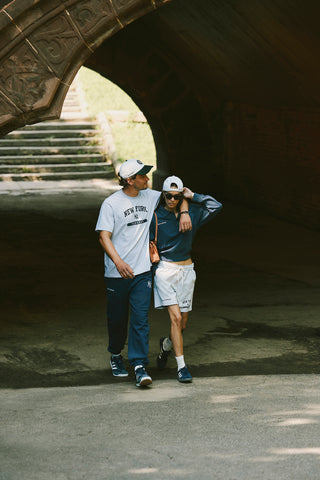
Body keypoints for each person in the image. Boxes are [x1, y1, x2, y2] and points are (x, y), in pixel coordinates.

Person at [95, 160, 191, 387]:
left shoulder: (150, 197)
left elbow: (180, 192)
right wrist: (118, 262)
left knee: (140, 319)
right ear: (130, 180)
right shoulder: (111, 204)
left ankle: (139, 365)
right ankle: (116, 354)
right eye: (143, 176)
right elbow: (103, 236)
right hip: (117, 273)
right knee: (117, 318)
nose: (148, 179)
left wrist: (184, 210)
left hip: (141, 272)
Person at [150, 175, 222, 383]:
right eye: (168, 196)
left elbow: (216, 206)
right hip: (165, 270)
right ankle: (182, 367)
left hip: (187, 270)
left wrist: (192, 198)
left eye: (176, 196)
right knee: (175, 319)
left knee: (182, 323)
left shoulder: (192, 213)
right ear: (163, 195)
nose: (171, 200)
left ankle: (166, 346)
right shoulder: (156, 216)